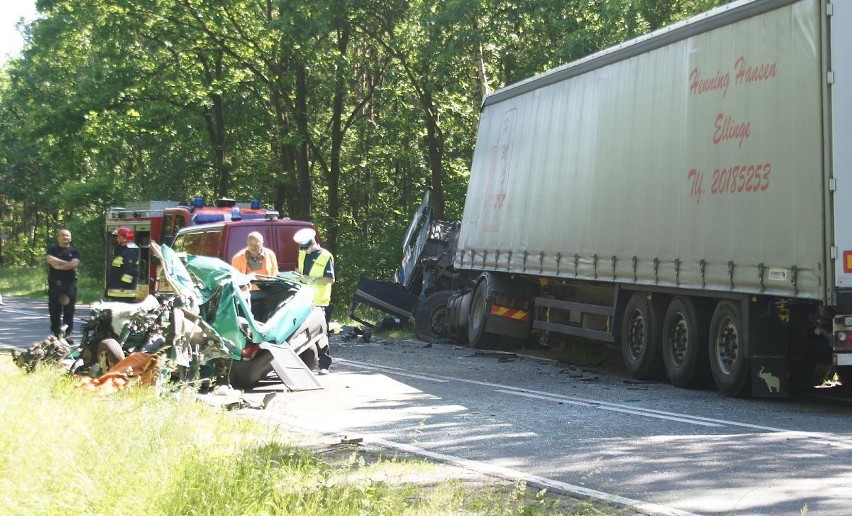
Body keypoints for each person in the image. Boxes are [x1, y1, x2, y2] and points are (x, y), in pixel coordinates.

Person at [293, 227, 335, 375]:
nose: (305, 251)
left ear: (313, 243)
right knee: (300, 331)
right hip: (304, 299)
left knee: (321, 334)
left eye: (307, 248)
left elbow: (330, 279)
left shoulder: (325, 256)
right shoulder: (303, 253)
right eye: (303, 248)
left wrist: (311, 279)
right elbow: (301, 270)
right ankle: (301, 362)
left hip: (319, 301)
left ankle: (325, 365)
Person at [45, 228, 81, 338]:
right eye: (63, 235)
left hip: (69, 285)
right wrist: (67, 264)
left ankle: (67, 335)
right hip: (55, 284)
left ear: (71, 238)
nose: (65, 237)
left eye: (67, 236)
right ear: (58, 238)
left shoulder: (74, 252)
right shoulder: (52, 250)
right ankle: (56, 335)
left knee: (69, 311)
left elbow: (74, 264)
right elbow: (50, 260)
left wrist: (58, 265)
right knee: (54, 310)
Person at [106, 226, 140, 301]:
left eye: (118, 236)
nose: (117, 238)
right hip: (118, 290)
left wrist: (123, 285)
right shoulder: (122, 250)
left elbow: (130, 271)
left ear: (123, 238)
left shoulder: (131, 251)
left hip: (124, 291)